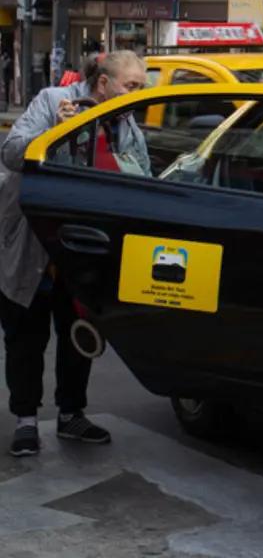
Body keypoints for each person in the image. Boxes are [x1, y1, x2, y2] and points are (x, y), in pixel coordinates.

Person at [0, 50, 150, 456]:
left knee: (77, 335)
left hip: (83, 249)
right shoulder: (52, 101)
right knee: (25, 336)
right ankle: (26, 420)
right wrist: (55, 131)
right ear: (104, 83)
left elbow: (143, 175)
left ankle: (71, 415)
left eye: (140, 88)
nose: (135, 94)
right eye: (131, 86)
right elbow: (12, 152)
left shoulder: (126, 122)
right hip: (33, 244)